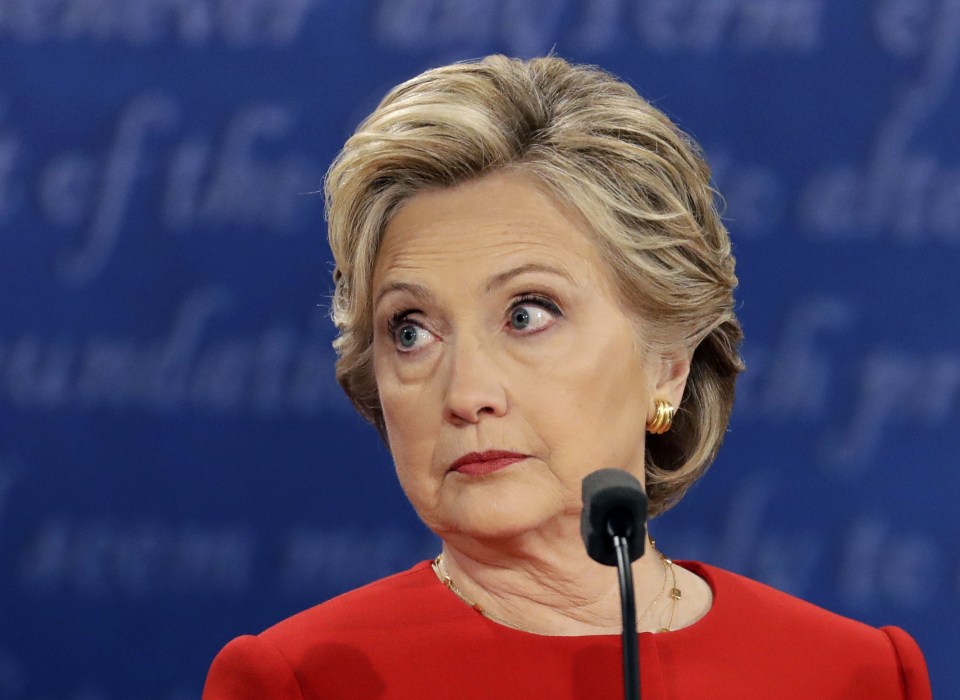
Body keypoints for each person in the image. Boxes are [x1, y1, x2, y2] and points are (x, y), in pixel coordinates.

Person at [202, 55, 931, 699]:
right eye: (412, 331)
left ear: (668, 364)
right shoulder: (304, 682)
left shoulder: (851, 676)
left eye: (527, 314)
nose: (465, 395)